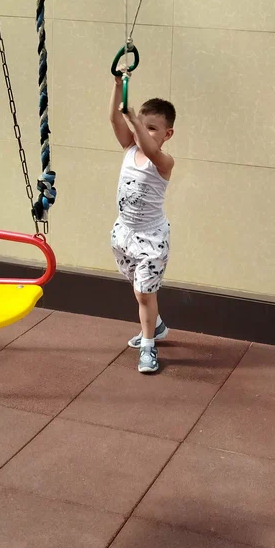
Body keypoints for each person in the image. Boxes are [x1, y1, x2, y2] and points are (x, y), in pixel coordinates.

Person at [109, 72, 175, 373]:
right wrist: (117, 86)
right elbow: (114, 120)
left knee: (145, 294)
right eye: (142, 126)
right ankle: (156, 325)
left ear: (167, 134)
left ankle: (149, 346)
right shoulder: (130, 148)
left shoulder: (163, 161)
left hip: (151, 238)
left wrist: (135, 120)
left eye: (152, 129)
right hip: (124, 234)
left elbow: (149, 148)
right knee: (139, 290)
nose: (143, 133)